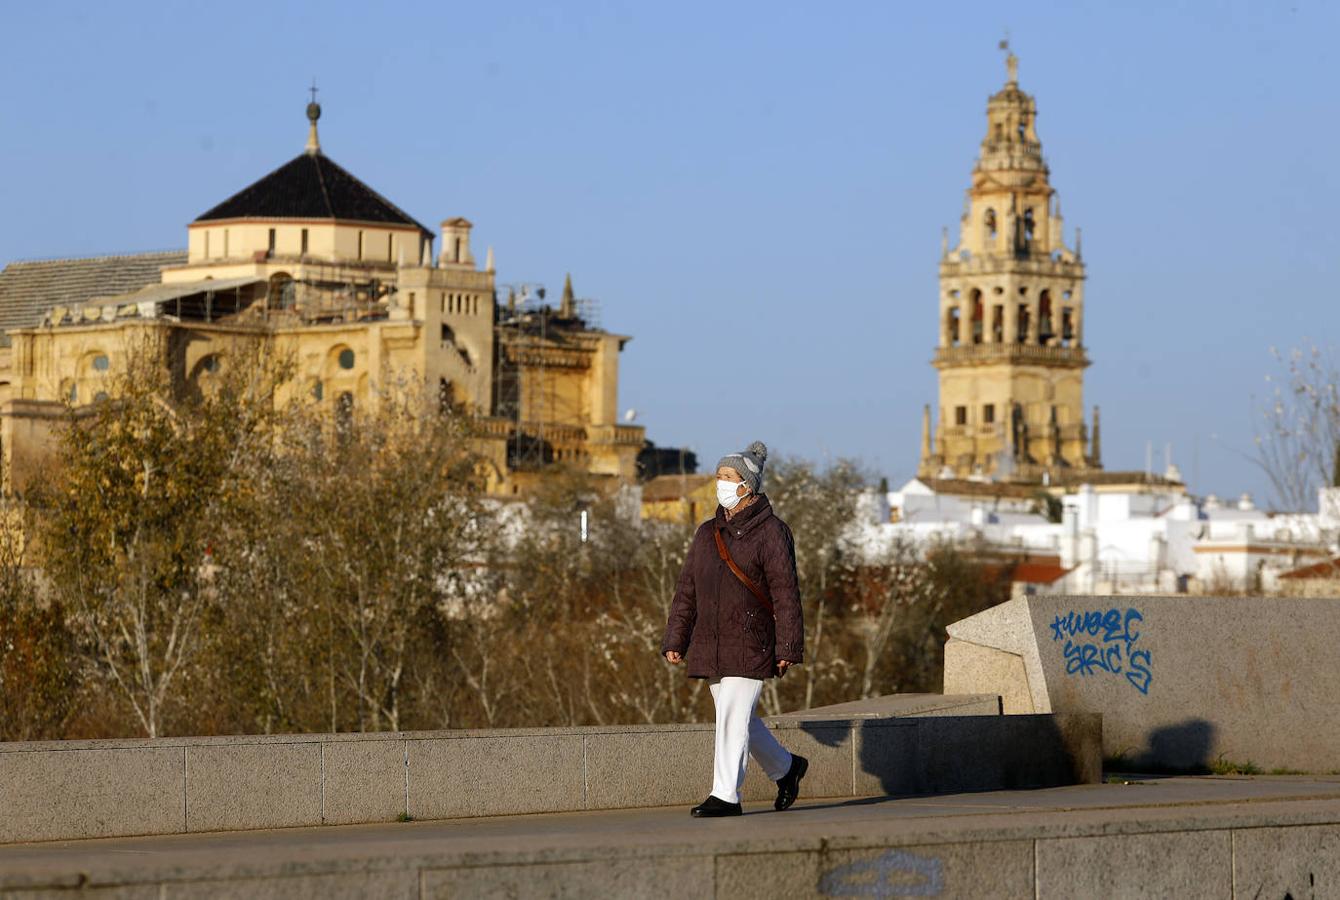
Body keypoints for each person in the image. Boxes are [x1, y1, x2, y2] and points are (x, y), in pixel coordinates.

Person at [661, 441, 807, 817]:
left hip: (752, 639)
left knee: (731, 717)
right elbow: (687, 589)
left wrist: (788, 647)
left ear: (748, 485)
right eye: (719, 476)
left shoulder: (773, 532)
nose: (721, 484)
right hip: (711, 641)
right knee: (738, 718)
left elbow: (785, 592)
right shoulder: (706, 533)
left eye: (728, 477)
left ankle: (725, 795)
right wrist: (676, 638)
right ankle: (787, 769)